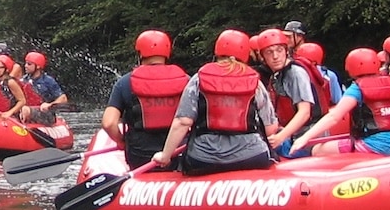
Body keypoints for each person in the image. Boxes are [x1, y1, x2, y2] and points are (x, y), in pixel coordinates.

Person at [152, 29, 278, 176]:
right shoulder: (256, 82)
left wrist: (165, 156)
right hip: (252, 157)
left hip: (204, 159)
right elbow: (269, 128)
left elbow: (183, 122)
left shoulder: (199, 79)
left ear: (217, 52)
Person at [290, 47, 390, 155]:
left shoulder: (357, 88)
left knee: (318, 150)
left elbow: (333, 117)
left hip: (373, 147)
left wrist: (304, 138)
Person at [102, 29, 190, 171]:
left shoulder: (125, 82)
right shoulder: (186, 80)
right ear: (167, 53)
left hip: (140, 157)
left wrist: (122, 142)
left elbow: (108, 123)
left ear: (140, 54)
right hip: (178, 154)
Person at [253, 29, 319, 155]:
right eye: (269, 52)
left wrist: (280, 136)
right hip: (293, 134)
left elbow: (305, 112)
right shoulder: (276, 75)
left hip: (308, 136)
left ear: (286, 51)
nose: (275, 56)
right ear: (262, 57)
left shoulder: (296, 73)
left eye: (279, 50)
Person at [19, 51, 68, 125]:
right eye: (25, 63)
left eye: (29, 64)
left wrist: (50, 105)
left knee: (25, 109)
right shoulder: (23, 80)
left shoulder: (48, 81)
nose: (25, 66)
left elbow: (63, 99)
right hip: (26, 110)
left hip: (46, 114)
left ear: (38, 66)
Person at [0, 54, 29, 119]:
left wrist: (10, 112)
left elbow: (22, 101)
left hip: (9, 117)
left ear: (6, 69)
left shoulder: (10, 82)